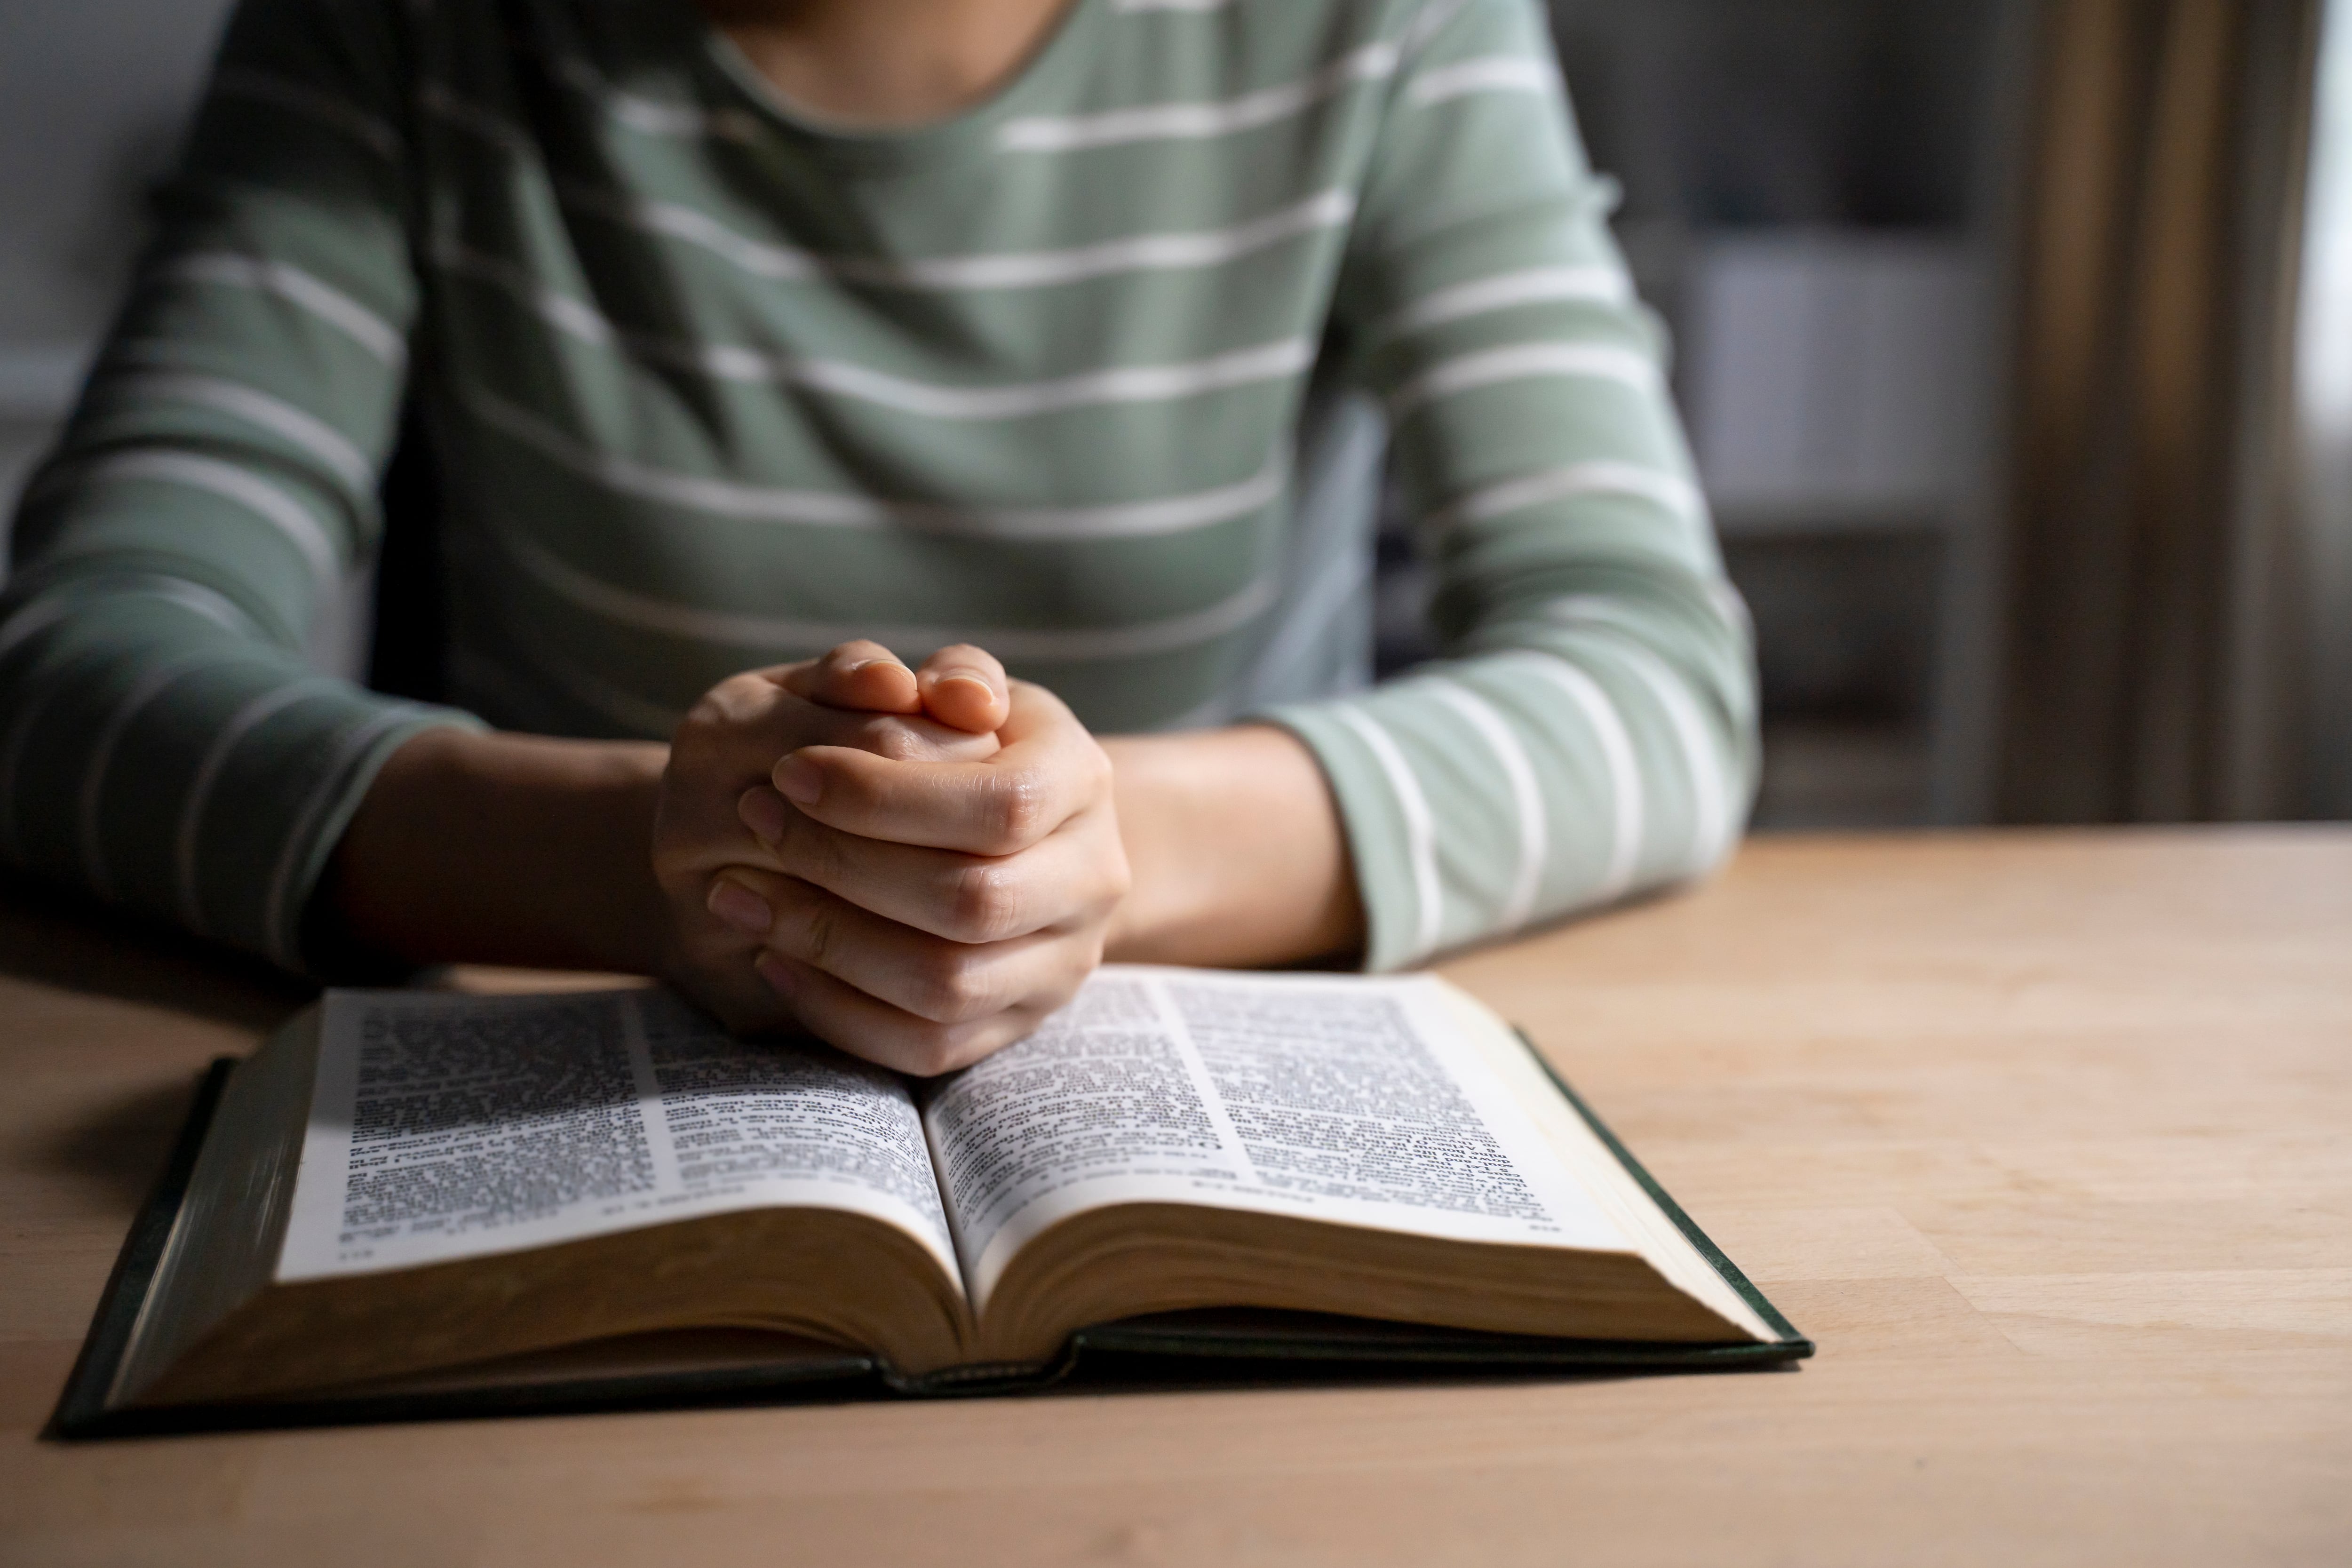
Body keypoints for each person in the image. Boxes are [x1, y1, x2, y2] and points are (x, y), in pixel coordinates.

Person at [0, 0, 1756, 1075]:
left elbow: (1651, 672)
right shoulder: (401, 25)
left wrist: (1095, 848)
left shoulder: (1381, 21)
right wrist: (650, 867)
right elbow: (72, 669)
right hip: (579, 1049)